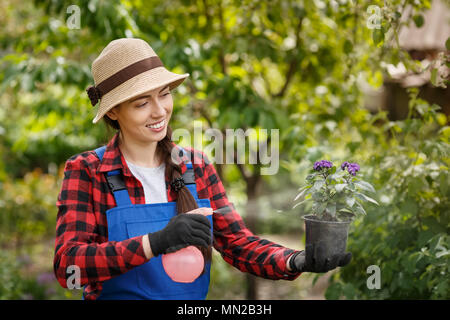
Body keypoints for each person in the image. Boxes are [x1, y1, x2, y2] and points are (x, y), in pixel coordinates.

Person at [53, 38, 351, 300]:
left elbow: (237, 243)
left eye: (165, 94)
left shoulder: (194, 166)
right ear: (114, 111)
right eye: (142, 102)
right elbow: (69, 266)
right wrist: (155, 243)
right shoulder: (88, 172)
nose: (159, 111)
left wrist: (294, 261)